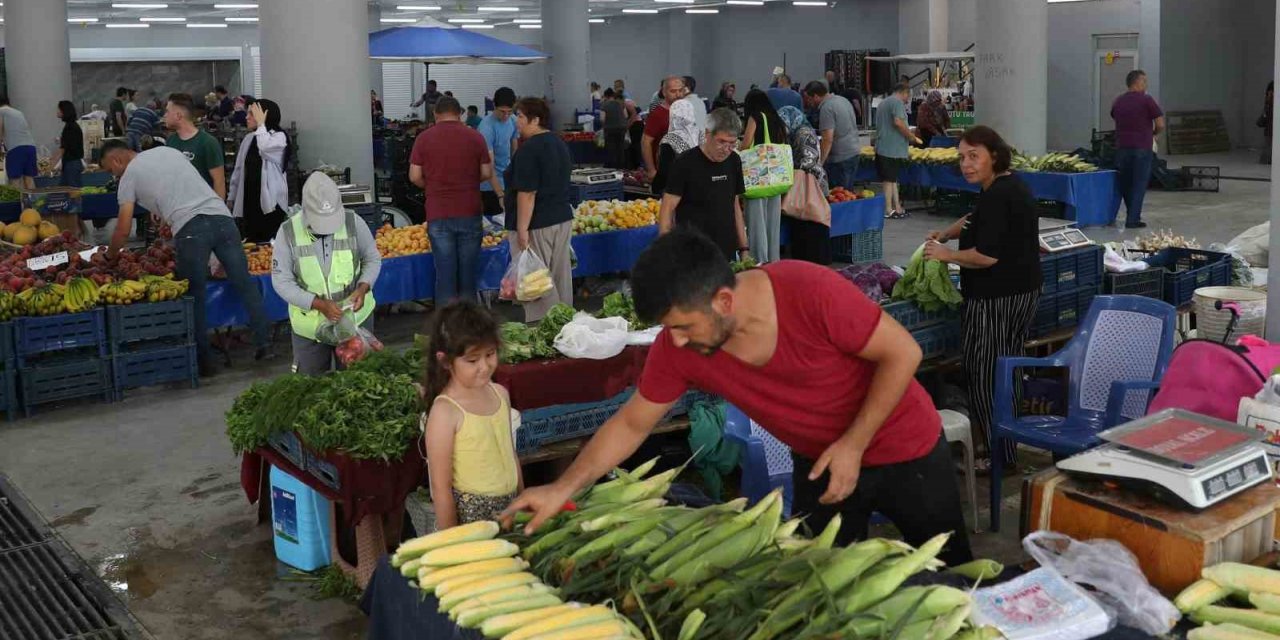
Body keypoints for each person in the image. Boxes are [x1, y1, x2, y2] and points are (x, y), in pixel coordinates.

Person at [503, 229, 974, 566]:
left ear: (724, 302)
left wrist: (854, 445)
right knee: (825, 586)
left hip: (905, 450)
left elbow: (903, 354)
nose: (677, 342)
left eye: (683, 326)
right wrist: (563, 487)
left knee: (952, 583)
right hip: (820, 464)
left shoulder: (809, 291)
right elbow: (631, 424)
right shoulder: (679, 345)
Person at [99, 141, 272, 376]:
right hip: (223, 219)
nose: (114, 174)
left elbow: (122, 228)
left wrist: (109, 256)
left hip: (192, 230)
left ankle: (205, 362)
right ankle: (265, 343)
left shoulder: (128, 176)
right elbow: (184, 184)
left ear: (117, 160)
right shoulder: (168, 151)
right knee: (244, 282)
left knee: (195, 295)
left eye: (110, 169)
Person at [923, 126, 1040, 471]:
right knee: (1007, 368)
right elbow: (974, 219)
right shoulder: (1004, 186)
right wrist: (945, 233)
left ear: (995, 155)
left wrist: (945, 254)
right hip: (1019, 292)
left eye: (974, 156)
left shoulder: (1000, 195)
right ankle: (1006, 444)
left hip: (996, 297)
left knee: (986, 372)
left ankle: (999, 456)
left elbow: (987, 256)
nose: (966, 164)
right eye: (962, 157)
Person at [271, 172, 382, 376]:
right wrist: (319, 304)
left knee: (358, 381)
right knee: (311, 387)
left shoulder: (353, 222)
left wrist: (363, 287)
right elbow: (281, 281)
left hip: (354, 319)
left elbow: (372, 259)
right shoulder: (287, 232)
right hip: (310, 326)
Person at [424, 301, 522, 527]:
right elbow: (440, 488)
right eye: (472, 360)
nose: (485, 366)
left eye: (490, 354)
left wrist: (521, 498)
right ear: (446, 361)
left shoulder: (500, 394)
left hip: (510, 511)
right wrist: (452, 541)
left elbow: (511, 453)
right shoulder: (445, 412)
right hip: (471, 520)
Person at [410, 96, 493, 303]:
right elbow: (486, 172)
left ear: (435, 114)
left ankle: (445, 330)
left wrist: (433, 187)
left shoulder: (424, 138)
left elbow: (414, 176)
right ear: (460, 113)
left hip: (438, 213)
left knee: (445, 277)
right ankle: (470, 329)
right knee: (468, 278)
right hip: (470, 211)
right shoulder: (475, 137)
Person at [504, 97, 574, 323]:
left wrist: (522, 229)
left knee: (537, 281)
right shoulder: (558, 143)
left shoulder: (529, 149)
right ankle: (566, 325)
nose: (517, 121)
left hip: (538, 223)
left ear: (535, 120)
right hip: (561, 218)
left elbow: (527, 193)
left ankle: (545, 328)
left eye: (521, 117)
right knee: (560, 276)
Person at [659, 108, 749, 262]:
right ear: (708, 134)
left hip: (726, 251)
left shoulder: (734, 161)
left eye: (732, 143)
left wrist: (744, 249)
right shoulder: (685, 163)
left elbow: (735, 207)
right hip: (692, 252)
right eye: (721, 141)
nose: (726, 149)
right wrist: (666, 250)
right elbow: (667, 208)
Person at [229, 100, 291, 243]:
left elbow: (264, 148)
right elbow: (238, 170)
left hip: (272, 205)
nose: (247, 117)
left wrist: (261, 125)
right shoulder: (249, 138)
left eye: (251, 113)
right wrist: (231, 197)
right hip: (250, 202)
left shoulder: (279, 137)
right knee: (252, 243)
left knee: (270, 243)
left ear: (264, 116)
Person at [1111, 69, 1164, 230]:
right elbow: (1160, 124)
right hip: (1142, 148)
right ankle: (1133, 219)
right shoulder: (1147, 100)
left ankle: (1131, 215)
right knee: (1139, 184)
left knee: (1126, 183)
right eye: (1145, 81)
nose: (1146, 85)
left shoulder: (1118, 101)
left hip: (1122, 148)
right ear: (1138, 82)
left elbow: (1114, 116)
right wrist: (1153, 134)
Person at [778, 105, 831, 264]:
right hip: (806, 186)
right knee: (804, 223)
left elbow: (809, 161)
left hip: (810, 185)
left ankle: (814, 263)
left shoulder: (804, 134)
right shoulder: (795, 134)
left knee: (811, 222)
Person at [740, 89, 787, 263]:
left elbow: (746, 145)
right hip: (775, 177)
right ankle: (774, 260)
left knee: (756, 222)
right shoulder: (776, 119)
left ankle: (758, 259)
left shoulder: (755, 117)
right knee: (772, 223)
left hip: (757, 178)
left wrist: (738, 148)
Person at [805, 81, 865, 197]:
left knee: (838, 195)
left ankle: (840, 215)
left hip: (839, 159)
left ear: (816, 96)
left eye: (809, 99)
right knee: (848, 193)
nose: (808, 103)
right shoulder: (842, 100)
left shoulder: (826, 108)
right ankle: (849, 214)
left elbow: (827, 138)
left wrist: (820, 163)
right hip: (854, 152)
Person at [165, 93, 227, 200]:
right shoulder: (170, 141)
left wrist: (218, 213)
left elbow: (219, 182)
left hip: (201, 208)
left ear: (178, 115)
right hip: (176, 207)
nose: (165, 115)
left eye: (167, 111)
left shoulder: (207, 142)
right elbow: (167, 176)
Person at [873, 83, 921, 220]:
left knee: (892, 179)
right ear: (904, 92)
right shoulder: (897, 103)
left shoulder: (883, 103)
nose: (908, 99)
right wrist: (910, 136)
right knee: (889, 180)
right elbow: (898, 122)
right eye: (908, 95)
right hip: (891, 147)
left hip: (884, 146)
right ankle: (888, 209)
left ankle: (897, 207)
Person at [478, 87, 520, 217]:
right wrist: (500, 194)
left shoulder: (513, 120)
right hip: (490, 186)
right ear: (494, 106)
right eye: (502, 112)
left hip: (507, 181)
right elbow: (489, 167)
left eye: (509, 111)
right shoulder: (486, 128)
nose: (506, 116)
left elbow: (514, 149)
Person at [642, 76, 685, 184]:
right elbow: (646, 142)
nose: (678, 94)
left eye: (680, 90)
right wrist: (651, 170)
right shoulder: (658, 114)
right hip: (666, 171)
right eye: (673, 91)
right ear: (664, 92)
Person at [653, 98, 700, 196]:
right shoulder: (701, 134)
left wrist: (655, 187)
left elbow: (664, 171)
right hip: (699, 188)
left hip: (677, 191)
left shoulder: (671, 139)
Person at [0, 96, 38, 190]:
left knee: (15, 181)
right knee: (29, 179)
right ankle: (34, 203)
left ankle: (16, 204)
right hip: (30, 147)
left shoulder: (1, 111)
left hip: (16, 149)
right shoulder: (19, 112)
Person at [49, 101, 84, 188]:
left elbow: (63, 148)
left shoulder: (70, 127)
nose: (57, 111)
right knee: (64, 189)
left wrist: (53, 163)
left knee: (72, 191)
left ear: (64, 111)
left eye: (59, 109)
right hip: (71, 163)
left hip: (72, 164)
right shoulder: (72, 126)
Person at [600, 89, 633, 171]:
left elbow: (602, 119)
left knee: (611, 149)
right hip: (622, 129)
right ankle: (621, 167)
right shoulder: (621, 104)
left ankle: (612, 168)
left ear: (606, 96)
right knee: (620, 148)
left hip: (610, 129)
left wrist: (604, 126)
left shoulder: (604, 105)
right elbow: (626, 116)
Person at [1261, 82, 1274, 165]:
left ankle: (1266, 160)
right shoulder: (1270, 98)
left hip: (1269, 124)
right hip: (1270, 124)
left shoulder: (1268, 98)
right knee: (1268, 143)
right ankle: (1266, 160)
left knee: (1268, 143)